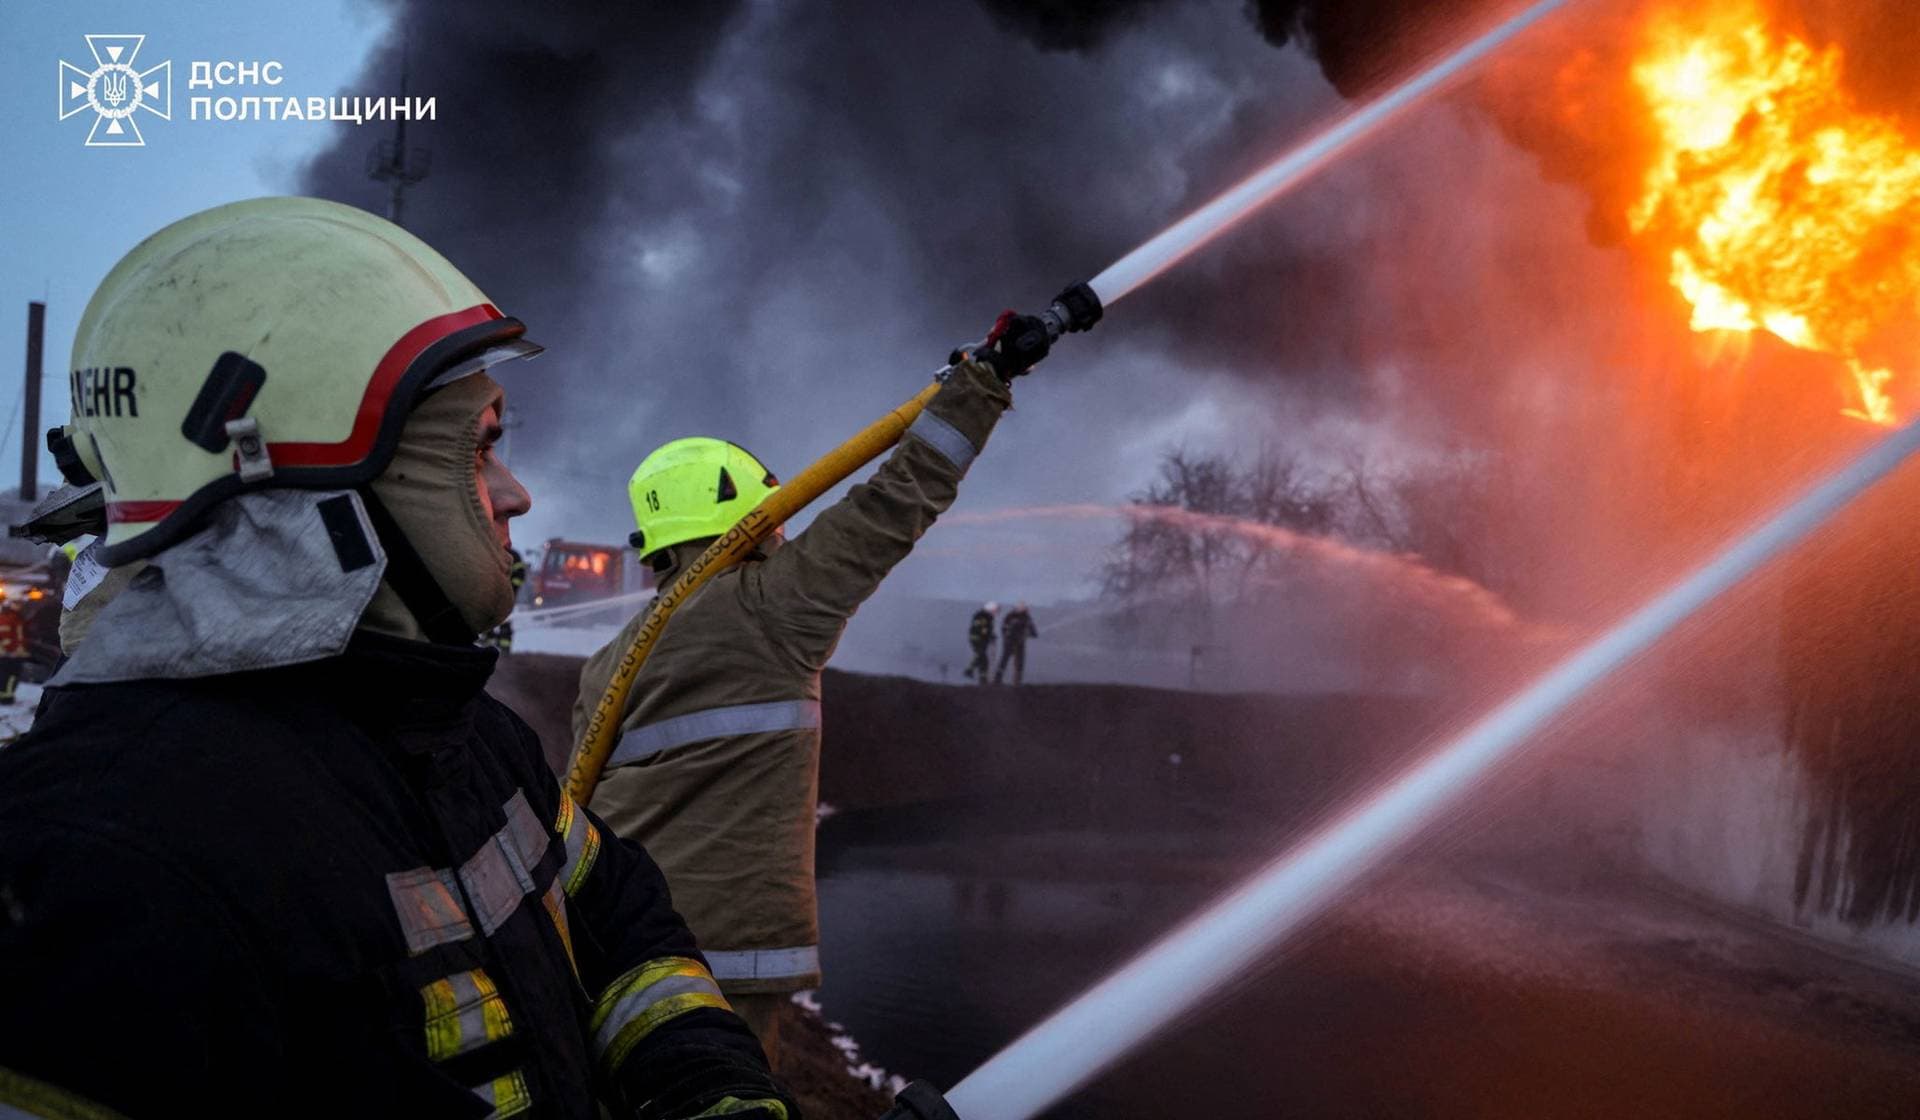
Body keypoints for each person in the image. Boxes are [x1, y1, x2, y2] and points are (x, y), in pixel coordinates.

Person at [0, 198, 796, 1120]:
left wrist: (711, 1090)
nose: (518, 495)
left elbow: (617, 914)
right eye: (478, 450)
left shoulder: (467, 738)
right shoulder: (94, 867)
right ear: (303, 491)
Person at [573, 325, 1052, 1063]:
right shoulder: (770, 606)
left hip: (617, 939)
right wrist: (981, 388)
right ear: (751, 518)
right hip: (722, 961)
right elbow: (891, 506)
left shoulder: (608, 660)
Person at [993, 601, 1038, 685]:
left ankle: (1016, 682)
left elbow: (1033, 631)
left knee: (1017, 663)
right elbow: (1004, 629)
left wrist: (1029, 634)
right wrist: (1008, 638)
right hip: (1010, 642)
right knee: (1005, 661)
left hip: (1018, 643)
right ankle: (998, 680)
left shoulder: (1025, 618)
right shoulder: (1011, 617)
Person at [963, 601, 998, 683]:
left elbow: (987, 629)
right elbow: (980, 628)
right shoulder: (980, 616)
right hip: (976, 639)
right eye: (994, 610)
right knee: (981, 655)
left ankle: (982, 677)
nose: (995, 612)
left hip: (983, 640)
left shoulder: (989, 617)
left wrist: (991, 635)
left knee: (983, 658)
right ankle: (970, 671)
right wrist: (988, 634)